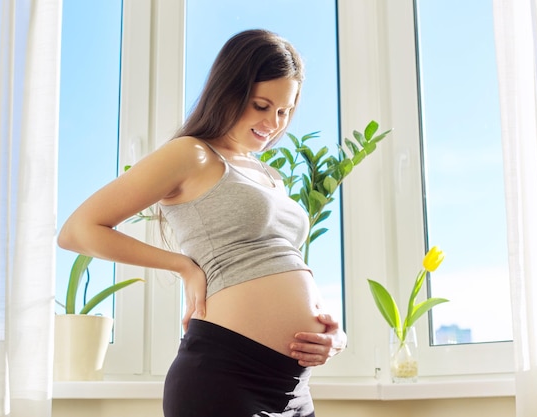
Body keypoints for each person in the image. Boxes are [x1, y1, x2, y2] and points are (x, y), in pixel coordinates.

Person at [58, 28, 347, 417]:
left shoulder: (269, 175)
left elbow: (281, 262)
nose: (274, 123)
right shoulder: (191, 155)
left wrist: (333, 335)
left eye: (284, 111)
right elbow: (78, 230)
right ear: (230, 90)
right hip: (225, 376)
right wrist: (182, 265)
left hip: (292, 388)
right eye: (262, 105)